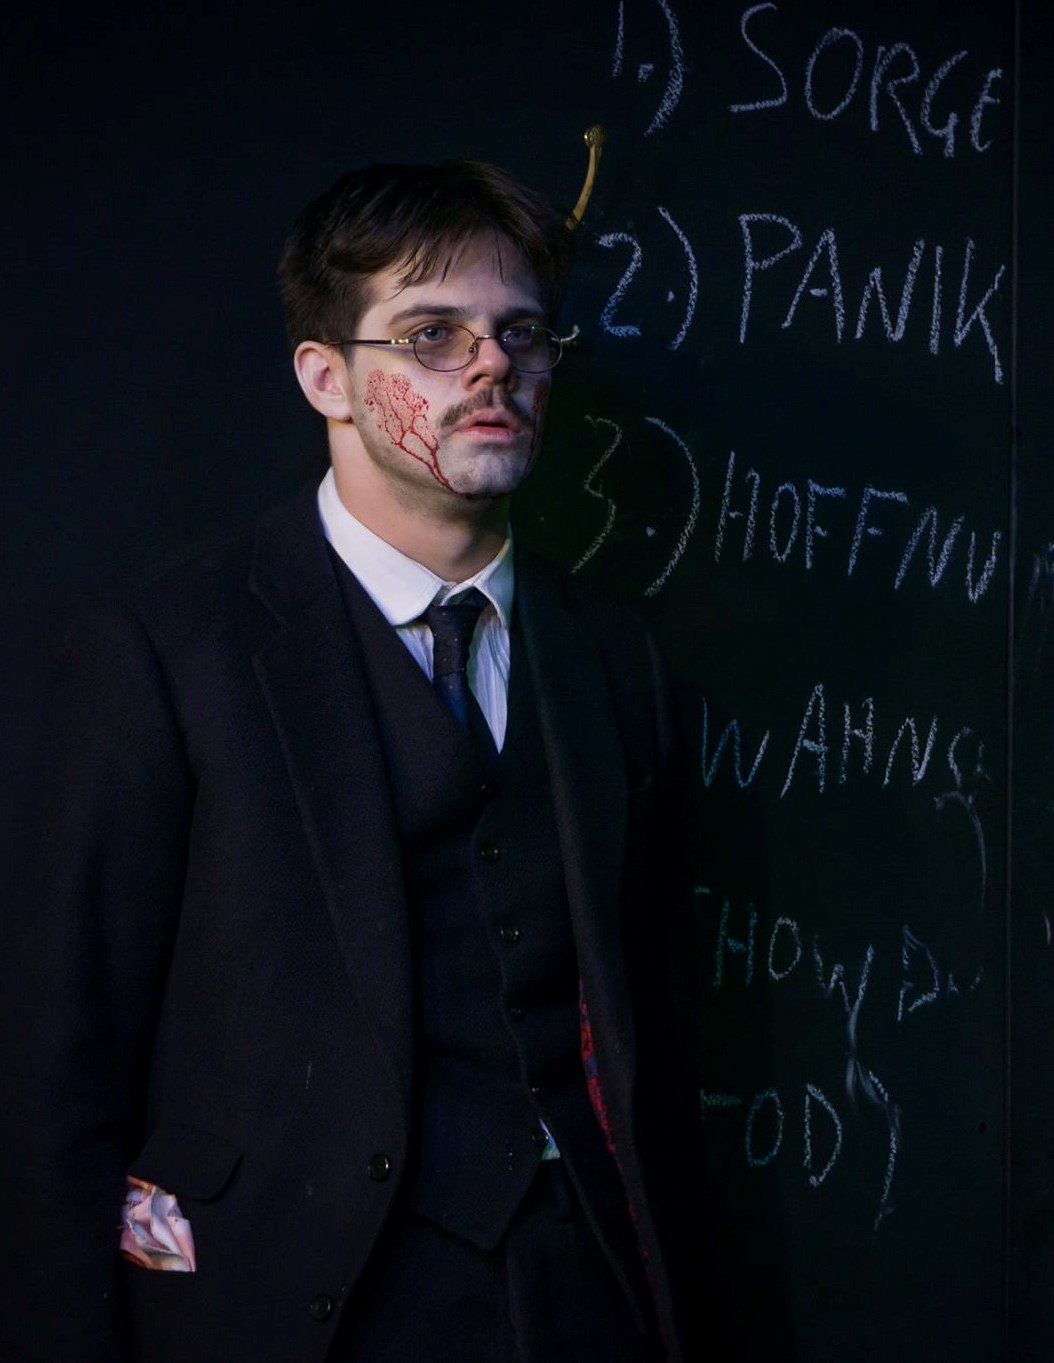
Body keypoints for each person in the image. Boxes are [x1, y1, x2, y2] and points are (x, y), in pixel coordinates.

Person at [0, 160, 703, 1363]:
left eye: (520, 333)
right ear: (324, 375)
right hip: (292, 1300)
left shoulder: (611, 657)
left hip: (582, 1292)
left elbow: (654, 1034)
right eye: (432, 335)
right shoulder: (167, 648)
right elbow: (57, 1066)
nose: (491, 367)